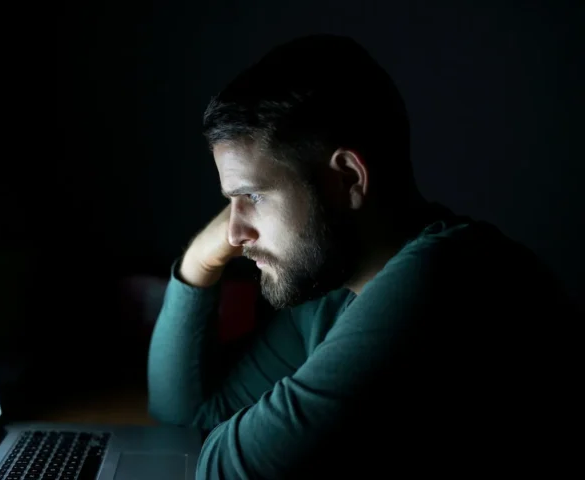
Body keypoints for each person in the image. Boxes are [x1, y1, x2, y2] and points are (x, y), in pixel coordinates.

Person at [147, 35, 578, 478]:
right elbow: (185, 419)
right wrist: (201, 259)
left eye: (252, 195)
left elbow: (232, 471)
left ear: (349, 179)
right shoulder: (331, 288)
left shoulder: (447, 278)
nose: (234, 233)